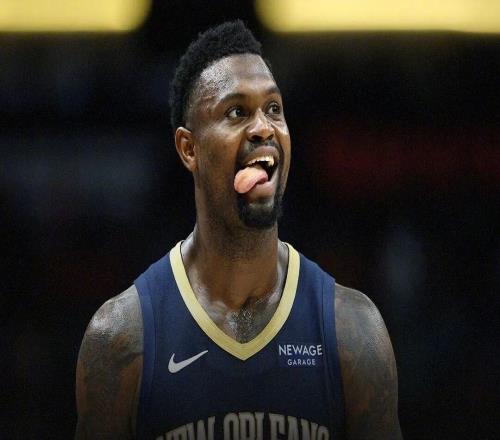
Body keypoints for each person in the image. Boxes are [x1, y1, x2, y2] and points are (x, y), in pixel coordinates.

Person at [75, 21, 402, 440]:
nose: (264, 127)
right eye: (237, 112)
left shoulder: (353, 330)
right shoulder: (121, 337)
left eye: (274, 109)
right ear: (189, 149)